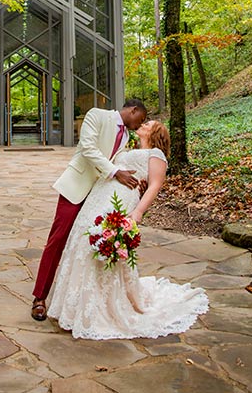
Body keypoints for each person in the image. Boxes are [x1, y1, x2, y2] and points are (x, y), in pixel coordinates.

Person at [47, 120, 209, 339]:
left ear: (157, 132)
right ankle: (75, 307)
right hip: (99, 196)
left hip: (120, 200)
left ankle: (102, 307)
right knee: (82, 240)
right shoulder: (128, 148)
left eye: (149, 123)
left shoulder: (156, 154)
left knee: (100, 244)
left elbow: (154, 185)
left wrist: (138, 212)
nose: (144, 123)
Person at [31, 98, 148, 321]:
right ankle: (39, 297)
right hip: (76, 187)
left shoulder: (125, 137)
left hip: (98, 195)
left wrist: (138, 179)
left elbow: (122, 163)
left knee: (86, 246)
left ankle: (78, 303)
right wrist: (115, 173)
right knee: (57, 241)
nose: (138, 125)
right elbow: (88, 148)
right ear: (133, 110)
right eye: (139, 119)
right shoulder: (96, 115)